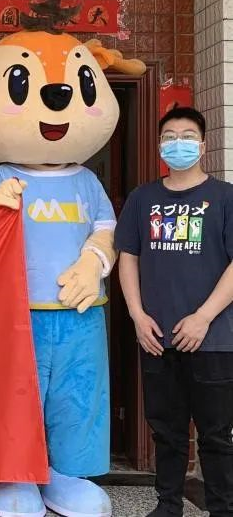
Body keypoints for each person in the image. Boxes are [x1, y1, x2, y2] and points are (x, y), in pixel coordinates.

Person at [116, 107, 233, 517]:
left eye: (186, 136)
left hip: (214, 339)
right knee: (166, 431)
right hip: (156, 336)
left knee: (216, 435)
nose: (177, 143)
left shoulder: (225, 198)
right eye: (169, 136)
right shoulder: (142, 198)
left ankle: (222, 508)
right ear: (160, 145)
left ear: (202, 145)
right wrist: (136, 315)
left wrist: (203, 317)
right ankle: (167, 506)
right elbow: (128, 257)